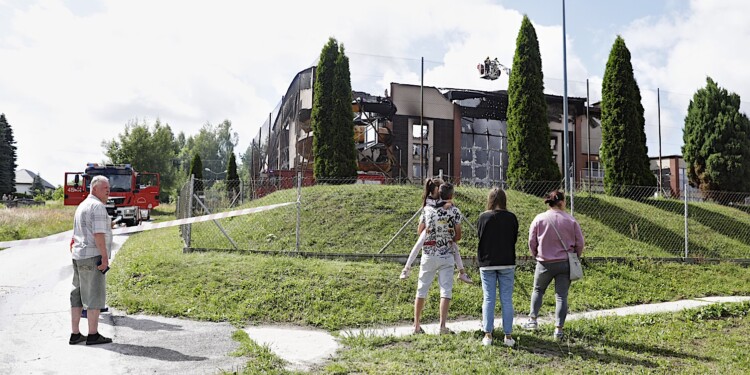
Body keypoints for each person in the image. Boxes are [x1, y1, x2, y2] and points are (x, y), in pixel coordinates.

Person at [522, 190, 584, 340]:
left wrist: (535, 254)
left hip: (544, 262)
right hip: (564, 263)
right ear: (561, 202)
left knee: (538, 290)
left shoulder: (539, 218)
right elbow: (580, 243)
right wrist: (575, 256)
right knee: (561, 296)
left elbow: (531, 240)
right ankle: (558, 330)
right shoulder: (571, 220)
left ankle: (533, 320)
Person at [412, 183, 462, 334]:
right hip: (446, 255)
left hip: (428, 254)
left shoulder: (427, 209)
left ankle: (416, 326)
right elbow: (458, 236)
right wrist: (450, 235)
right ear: (451, 195)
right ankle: (442, 326)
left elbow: (419, 231)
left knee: (421, 289)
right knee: (445, 290)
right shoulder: (454, 211)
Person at [68, 175, 113, 345]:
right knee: (94, 295)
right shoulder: (97, 206)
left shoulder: (82, 205)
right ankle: (93, 335)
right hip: (92, 256)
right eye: (105, 188)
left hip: (78, 255)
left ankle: (75, 334)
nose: (108, 191)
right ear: (94, 188)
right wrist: (104, 258)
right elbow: (98, 235)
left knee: (77, 295)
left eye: (108, 187)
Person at [401, 178, 472, 284]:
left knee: (454, 247)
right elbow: (435, 209)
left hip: (440, 229)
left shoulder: (435, 200)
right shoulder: (431, 202)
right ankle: (406, 268)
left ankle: (461, 272)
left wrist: (448, 204)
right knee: (419, 243)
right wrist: (447, 204)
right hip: (431, 229)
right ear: (437, 190)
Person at [477, 188, 518, 347]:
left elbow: (480, 237)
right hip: (507, 261)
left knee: (488, 298)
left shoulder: (483, 217)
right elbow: (513, 238)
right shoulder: (512, 217)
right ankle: (508, 336)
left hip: (487, 263)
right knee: (506, 299)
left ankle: (488, 335)